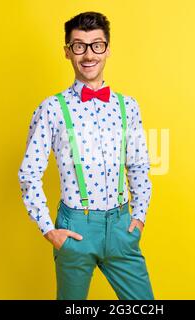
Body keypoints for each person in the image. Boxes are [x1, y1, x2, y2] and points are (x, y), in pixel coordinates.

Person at [18, 11, 154, 300]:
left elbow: (139, 167)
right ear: (68, 52)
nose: (88, 54)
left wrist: (139, 217)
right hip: (75, 229)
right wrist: (49, 230)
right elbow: (29, 174)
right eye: (79, 45)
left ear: (108, 49)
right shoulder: (52, 109)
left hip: (121, 228)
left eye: (97, 45)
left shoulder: (128, 106)